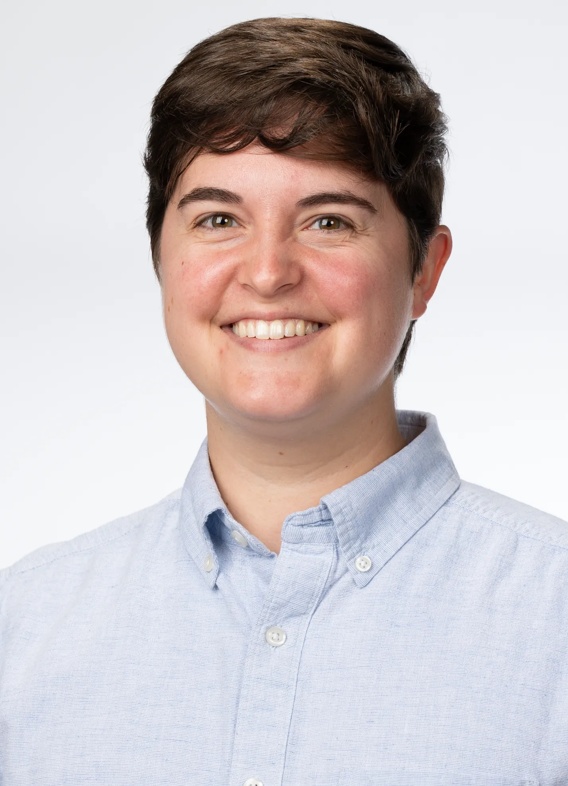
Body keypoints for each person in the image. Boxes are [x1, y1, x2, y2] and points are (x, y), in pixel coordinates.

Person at [1, 16, 567, 785]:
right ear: (161, 262)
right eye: (218, 219)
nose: (267, 273)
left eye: (328, 220)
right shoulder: (26, 626)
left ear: (424, 271)